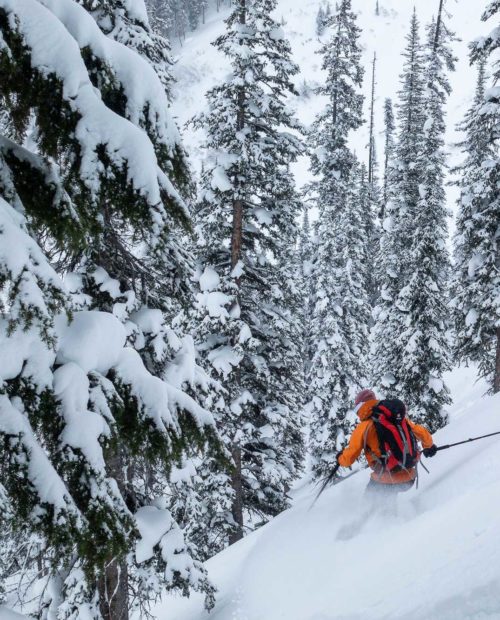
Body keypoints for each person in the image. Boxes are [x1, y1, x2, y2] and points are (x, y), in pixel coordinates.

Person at [336, 389, 438, 513]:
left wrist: (340, 458)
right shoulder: (396, 419)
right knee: (389, 497)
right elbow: (420, 431)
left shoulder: (364, 427)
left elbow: (349, 458)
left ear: (360, 407)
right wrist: (429, 446)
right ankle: (398, 521)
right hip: (409, 477)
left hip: (386, 480)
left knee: (366, 507)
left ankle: (370, 529)